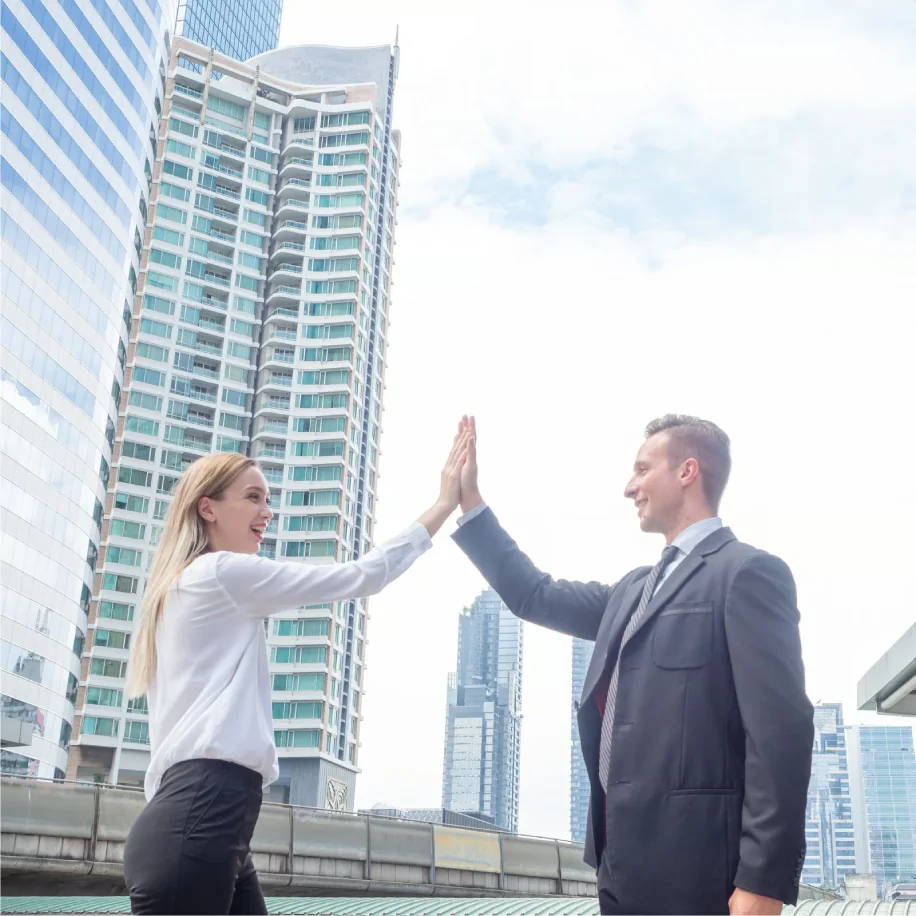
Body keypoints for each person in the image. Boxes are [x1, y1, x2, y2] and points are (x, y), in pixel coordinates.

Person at [451, 414, 814, 916]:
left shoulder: (746, 573)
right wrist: (471, 504)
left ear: (687, 472)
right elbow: (534, 594)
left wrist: (763, 880)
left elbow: (780, 731)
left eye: (643, 469)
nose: (629, 487)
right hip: (620, 871)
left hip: (703, 877)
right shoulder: (631, 591)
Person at [122, 427, 471, 915]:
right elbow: (361, 575)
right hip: (201, 814)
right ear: (208, 508)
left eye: (267, 500)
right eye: (253, 497)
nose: (267, 511)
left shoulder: (182, 588)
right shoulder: (220, 574)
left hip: (202, 819)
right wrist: (443, 505)